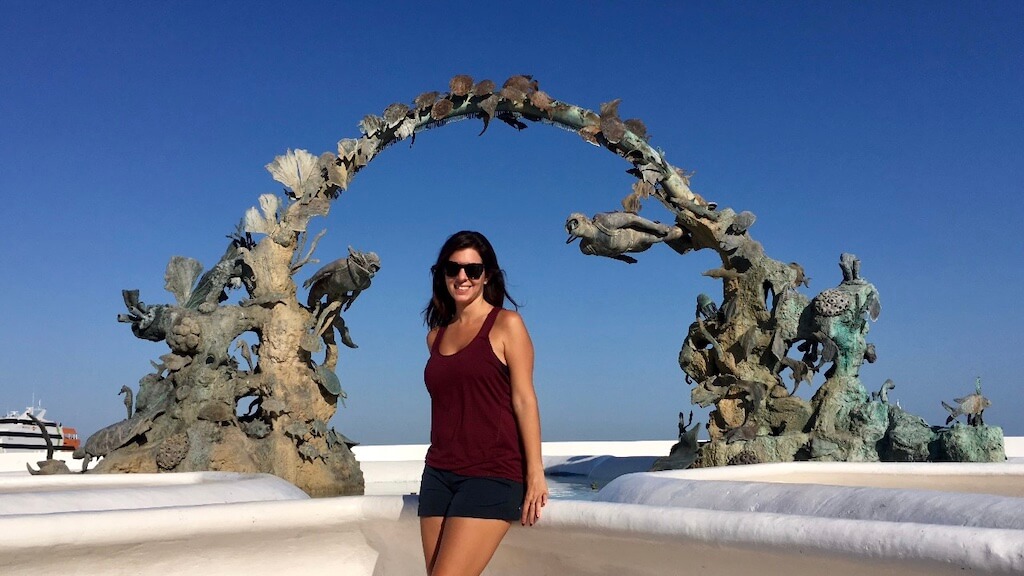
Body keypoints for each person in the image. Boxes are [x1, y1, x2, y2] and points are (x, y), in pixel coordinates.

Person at [418, 230, 548, 576]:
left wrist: (535, 473)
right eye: (453, 268)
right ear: (442, 273)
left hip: (491, 473)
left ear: (486, 275)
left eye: (473, 270)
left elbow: (524, 400)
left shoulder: (507, 325)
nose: (462, 277)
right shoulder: (436, 337)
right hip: (438, 474)